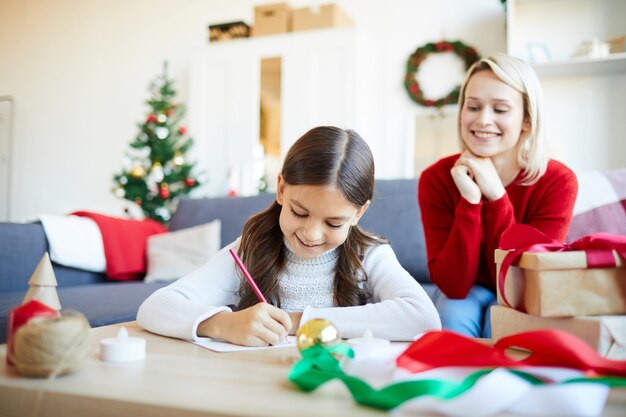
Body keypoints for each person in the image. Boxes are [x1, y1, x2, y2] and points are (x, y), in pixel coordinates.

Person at [138, 126, 441, 346]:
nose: (311, 233)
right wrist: (221, 324)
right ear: (281, 188)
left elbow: (423, 318)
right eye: (299, 212)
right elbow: (155, 307)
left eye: (334, 223)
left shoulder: (369, 255)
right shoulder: (251, 248)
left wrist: (299, 321)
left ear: (359, 213)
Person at [418, 54, 577, 338]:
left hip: (521, 290)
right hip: (464, 291)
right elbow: (453, 286)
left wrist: (496, 197)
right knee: (452, 314)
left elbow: (524, 283)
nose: (483, 120)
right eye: (473, 106)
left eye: (500, 109)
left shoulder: (558, 181)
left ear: (527, 120)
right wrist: (470, 202)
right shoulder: (437, 179)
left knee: (506, 323)